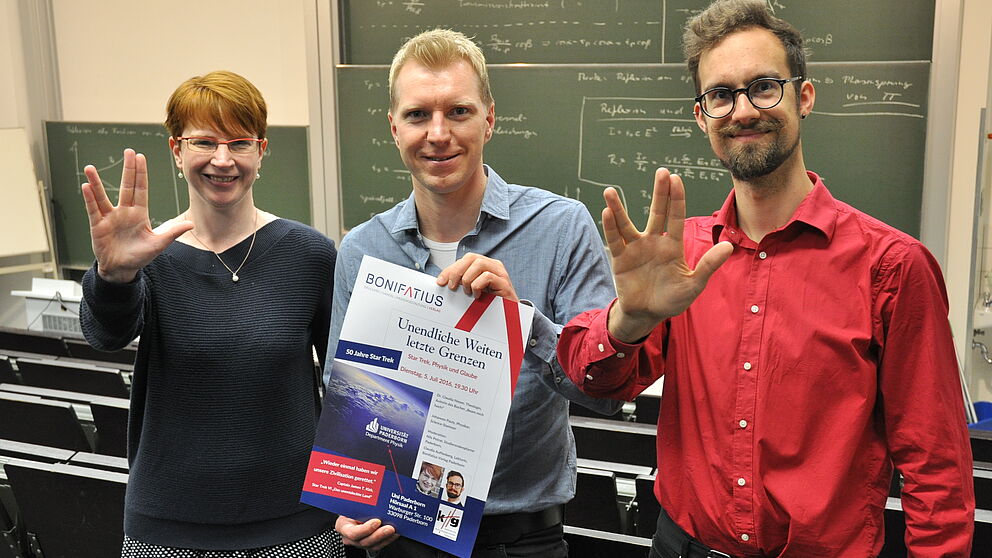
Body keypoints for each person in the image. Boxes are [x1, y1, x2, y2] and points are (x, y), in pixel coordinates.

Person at [556, 1, 976, 556]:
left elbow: (936, 467)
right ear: (702, 115)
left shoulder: (892, 267)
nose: (743, 110)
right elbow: (597, 384)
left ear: (804, 96)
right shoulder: (682, 260)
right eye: (721, 94)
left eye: (764, 86)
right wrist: (629, 320)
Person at [330, 28, 621, 558]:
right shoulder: (361, 249)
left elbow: (603, 392)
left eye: (458, 112)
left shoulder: (562, 228)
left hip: (520, 537)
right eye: (418, 115)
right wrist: (350, 499)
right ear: (394, 128)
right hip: (399, 534)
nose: (438, 133)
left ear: (490, 117)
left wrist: (523, 323)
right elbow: (347, 393)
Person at [79, 70, 345, 557]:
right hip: (167, 529)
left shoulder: (309, 254)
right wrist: (114, 275)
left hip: (298, 527)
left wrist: (363, 494)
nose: (222, 160)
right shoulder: (148, 256)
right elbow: (106, 334)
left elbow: (347, 387)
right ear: (176, 150)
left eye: (240, 142)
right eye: (204, 141)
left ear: (261, 151)